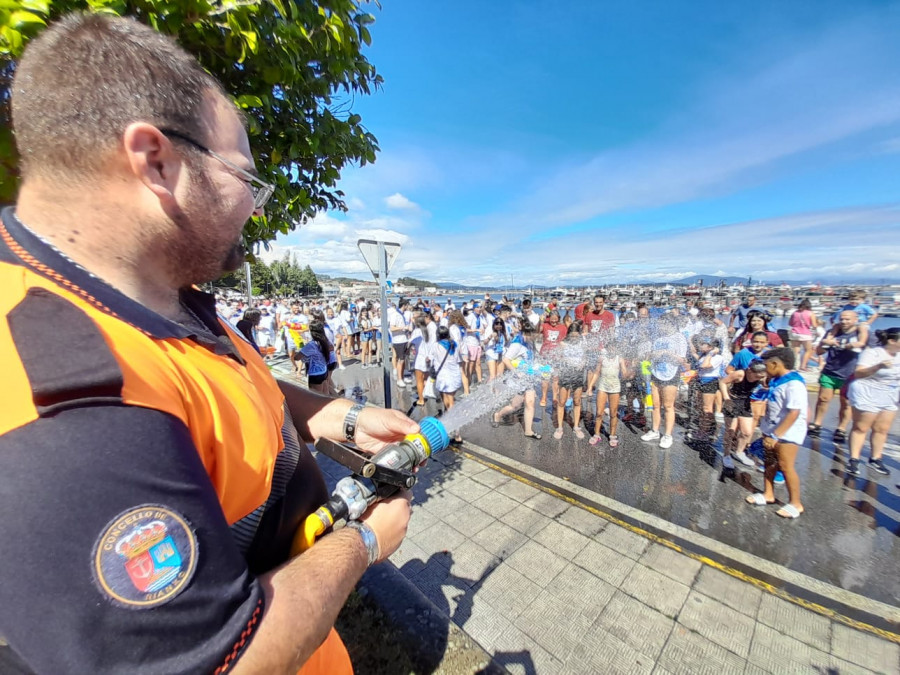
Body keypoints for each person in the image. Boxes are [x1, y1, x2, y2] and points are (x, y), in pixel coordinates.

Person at [0, 14, 418, 674]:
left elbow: (206, 391)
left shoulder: (146, 286)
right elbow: (227, 660)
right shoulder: (63, 406)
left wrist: (334, 416)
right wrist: (365, 541)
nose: (256, 205)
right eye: (245, 179)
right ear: (156, 161)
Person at [744, 348, 808, 519]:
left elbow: (794, 413)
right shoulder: (778, 381)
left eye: (766, 366)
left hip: (787, 433)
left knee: (786, 466)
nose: (765, 370)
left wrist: (775, 435)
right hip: (772, 429)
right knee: (770, 463)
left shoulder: (794, 385)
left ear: (775, 364)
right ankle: (768, 494)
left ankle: (795, 503)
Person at [845, 328, 900, 477]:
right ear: (892, 341)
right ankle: (854, 460)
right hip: (867, 392)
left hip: (889, 394)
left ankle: (876, 458)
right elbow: (858, 373)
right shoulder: (873, 353)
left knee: (882, 428)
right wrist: (878, 366)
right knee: (861, 427)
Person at [808, 310, 869, 440]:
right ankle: (817, 423)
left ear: (855, 319)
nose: (844, 322)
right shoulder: (833, 331)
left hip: (849, 373)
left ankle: (841, 428)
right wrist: (826, 343)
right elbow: (818, 351)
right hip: (830, 371)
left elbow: (865, 345)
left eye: (847, 319)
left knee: (846, 403)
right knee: (823, 399)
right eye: (842, 319)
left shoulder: (860, 332)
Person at [641, 316, 688, 449]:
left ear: (670, 324)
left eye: (662, 324)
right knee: (655, 405)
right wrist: (651, 355)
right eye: (659, 324)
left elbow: (682, 360)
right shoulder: (657, 338)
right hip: (656, 373)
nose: (660, 327)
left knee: (668, 406)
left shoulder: (679, 338)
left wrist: (667, 353)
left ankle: (667, 435)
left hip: (671, 374)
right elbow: (651, 355)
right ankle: (655, 431)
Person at [493, 320, 542, 440]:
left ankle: (529, 430)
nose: (535, 338)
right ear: (527, 334)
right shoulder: (517, 344)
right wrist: (516, 373)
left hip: (528, 379)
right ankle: (498, 415)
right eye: (533, 335)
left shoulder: (530, 343)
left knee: (530, 403)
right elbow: (505, 359)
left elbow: (531, 361)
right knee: (515, 406)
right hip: (517, 381)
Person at [719, 359, 768, 469]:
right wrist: (726, 398)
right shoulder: (740, 374)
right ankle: (726, 455)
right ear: (750, 371)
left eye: (761, 377)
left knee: (747, 432)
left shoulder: (761, 376)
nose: (760, 379)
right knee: (730, 430)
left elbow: (766, 383)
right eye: (758, 377)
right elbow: (722, 382)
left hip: (745, 403)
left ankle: (739, 452)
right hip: (732, 401)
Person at [586, 343, 628, 447]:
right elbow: (596, 373)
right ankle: (596, 435)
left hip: (615, 388)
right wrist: (590, 386)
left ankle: (612, 435)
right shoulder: (602, 358)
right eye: (610, 348)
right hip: (603, 387)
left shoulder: (620, 359)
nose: (612, 350)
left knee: (613, 413)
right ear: (607, 349)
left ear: (617, 349)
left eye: (614, 348)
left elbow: (624, 373)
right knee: (599, 412)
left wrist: (626, 372)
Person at [553, 322, 588, 440]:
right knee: (562, 401)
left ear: (579, 334)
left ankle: (577, 426)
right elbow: (558, 358)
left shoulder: (583, 342)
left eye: (576, 336)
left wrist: (583, 363)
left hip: (578, 373)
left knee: (577, 401)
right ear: (568, 335)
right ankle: (559, 427)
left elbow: (585, 356)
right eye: (572, 336)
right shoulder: (563, 344)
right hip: (566, 373)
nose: (574, 338)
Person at [430, 326, 464, 442]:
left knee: (450, 405)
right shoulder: (454, 344)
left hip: (444, 377)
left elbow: (429, 359)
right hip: (454, 375)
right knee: (450, 402)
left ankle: (457, 432)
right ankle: (448, 425)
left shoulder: (436, 346)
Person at [788, 299, 819, 371]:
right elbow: (814, 325)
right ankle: (803, 366)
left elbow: (790, 323)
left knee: (795, 350)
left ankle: (794, 366)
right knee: (808, 350)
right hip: (805, 333)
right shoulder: (810, 313)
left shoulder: (795, 313)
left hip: (794, 333)